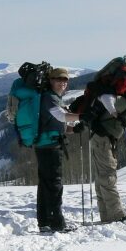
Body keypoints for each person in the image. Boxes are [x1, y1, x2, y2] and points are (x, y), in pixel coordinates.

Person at [86, 82, 126, 223]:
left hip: (104, 139)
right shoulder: (123, 102)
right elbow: (104, 98)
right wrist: (114, 112)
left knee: (102, 177)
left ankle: (106, 214)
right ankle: (117, 214)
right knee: (108, 175)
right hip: (102, 138)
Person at [35, 67, 82, 232]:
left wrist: (73, 129)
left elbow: (57, 123)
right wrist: (84, 116)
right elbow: (61, 116)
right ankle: (57, 223)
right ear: (51, 81)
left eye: (65, 80)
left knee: (46, 184)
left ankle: (45, 222)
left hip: (47, 144)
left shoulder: (53, 98)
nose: (62, 83)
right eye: (58, 79)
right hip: (49, 147)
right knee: (54, 184)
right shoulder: (49, 98)